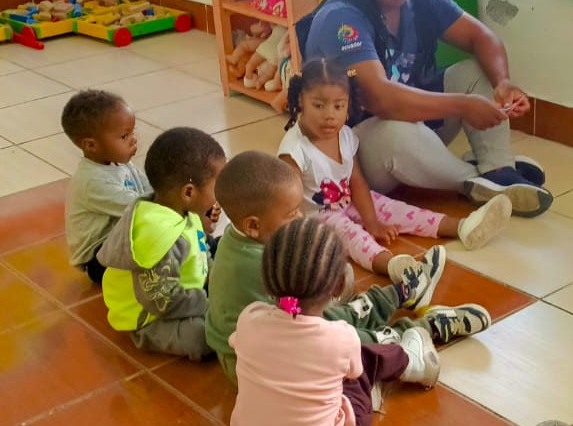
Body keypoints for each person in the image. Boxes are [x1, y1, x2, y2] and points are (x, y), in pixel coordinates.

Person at [299, 0, 552, 218]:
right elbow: (381, 99)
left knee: (476, 71)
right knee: (395, 132)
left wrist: (503, 83)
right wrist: (463, 105)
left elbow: (482, 38)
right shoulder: (342, 18)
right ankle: (473, 180)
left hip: (415, 129)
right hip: (358, 153)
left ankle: (498, 168)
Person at [205, 151, 493, 382]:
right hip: (256, 363)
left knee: (326, 308)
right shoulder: (255, 265)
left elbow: (292, 309)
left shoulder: (243, 239)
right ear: (253, 226)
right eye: (292, 214)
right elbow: (297, 316)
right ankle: (423, 328)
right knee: (340, 338)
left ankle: (401, 294)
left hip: (275, 328)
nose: (301, 218)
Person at [229, 217, 439, 426]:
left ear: (266, 279)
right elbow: (355, 372)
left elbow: (247, 343)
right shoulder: (340, 337)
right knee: (366, 363)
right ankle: (411, 360)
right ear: (339, 287)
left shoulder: (249, 319)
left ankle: (393, 325)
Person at [279, 57, 513, 279]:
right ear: (300, 100)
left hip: (348, 200)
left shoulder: (345, 135)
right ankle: (394, 266)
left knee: (397, 209)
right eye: (318, 105)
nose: (329, 115)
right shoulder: (294, 150)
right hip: (317, 217)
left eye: (338, 106)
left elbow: (357, 181)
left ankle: (464, 227)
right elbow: (288, 203)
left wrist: (371, 220)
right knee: (352, 236)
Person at [96, 127, 226, 361]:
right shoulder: (158, 235)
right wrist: (209, 304)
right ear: (189, 193)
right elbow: (162, 301)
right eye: (218, 186)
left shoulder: (185, 210)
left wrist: (217, 282)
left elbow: (201, 250)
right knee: (201, 337)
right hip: (151, 317)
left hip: (186, 294)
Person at [61, 90, 151, 284]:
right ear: (91, 145)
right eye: (124, 136)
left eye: (132, 132)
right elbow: (142, 207)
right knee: (163, 239)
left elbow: (150, 191)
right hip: (100, 259)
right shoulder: (92, 181)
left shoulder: (120, 163)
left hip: (122, 239)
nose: (134, 139)